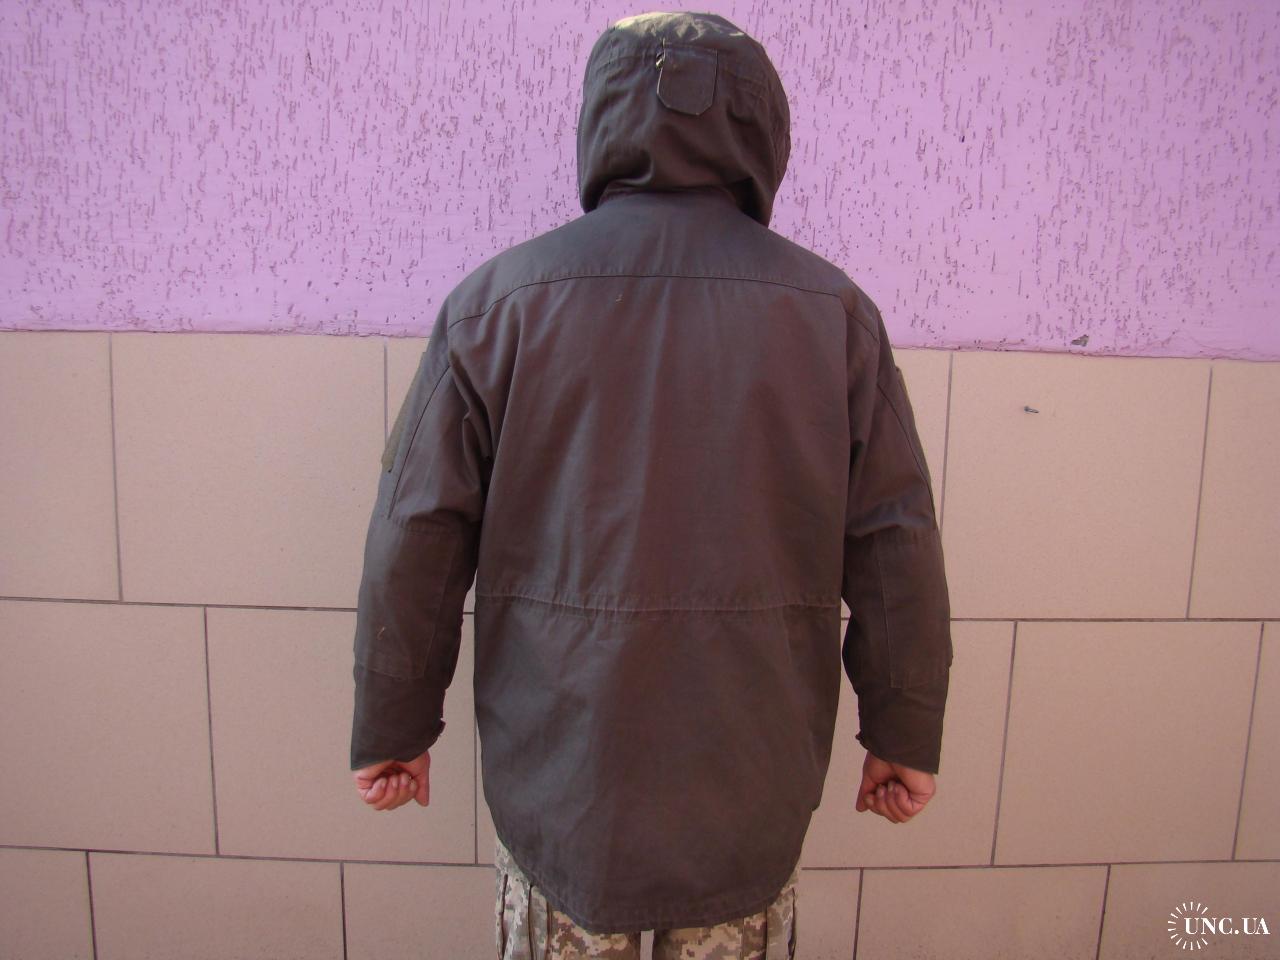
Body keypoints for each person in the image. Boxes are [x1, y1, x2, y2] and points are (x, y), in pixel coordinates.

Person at [349, 10, 954, 959]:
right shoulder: (836, 316)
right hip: (748, 796)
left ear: (603, 121)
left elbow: (418, 532)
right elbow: (894, 541)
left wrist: (393, 723)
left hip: (564, 796)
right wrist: (904, 729)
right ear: (762, 130)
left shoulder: (497, 305)